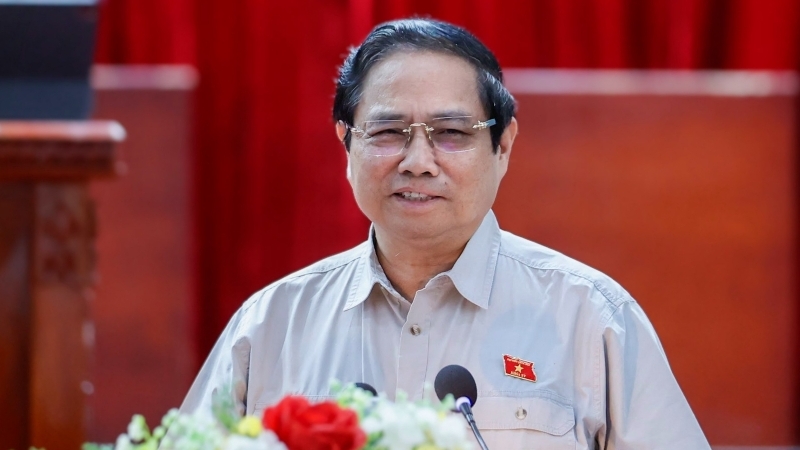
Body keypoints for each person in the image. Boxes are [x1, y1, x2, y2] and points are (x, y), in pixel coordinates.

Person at [181, 18, 711, 449]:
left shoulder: (591, 317)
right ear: (346, 144)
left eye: (452, 133)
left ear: (503, 146)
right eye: (388, 132)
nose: (418, 161)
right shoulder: (270, 325)